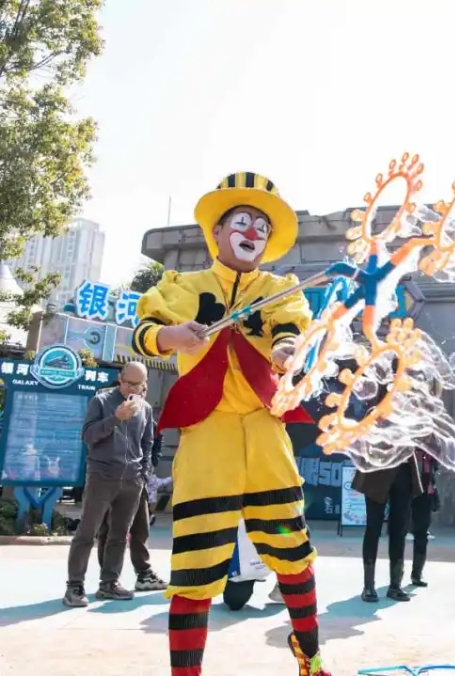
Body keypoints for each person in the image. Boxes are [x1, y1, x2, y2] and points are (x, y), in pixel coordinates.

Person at [131, 173, 330, 675]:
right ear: (217, 232)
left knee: (293, 551)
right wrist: (171, 337)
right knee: (195, 567)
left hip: (266, 429)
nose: (253, 232)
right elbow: (143, 332)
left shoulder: (279, 290)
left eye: (262, 225)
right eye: (242, 221)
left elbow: (290, 332)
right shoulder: (185, 287)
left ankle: (310, 659)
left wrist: (287, 352)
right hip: (207, 434)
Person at [64, 362, 154, 607]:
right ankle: (74, 586)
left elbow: (147, 443)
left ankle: (109, 583)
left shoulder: (145, 408)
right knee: (87, 533)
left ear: (144, 384)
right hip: (102, 477)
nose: (131, 388)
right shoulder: (101, 401)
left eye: (137, 384)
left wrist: (143, 473)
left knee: (119, 535)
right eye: (127, 383)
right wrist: (115, 418)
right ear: (120, 378)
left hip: (132, 480)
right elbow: (88, 436)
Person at [96, 383, 168, 592]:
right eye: (134, 388)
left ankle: (143, 573)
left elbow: (154, 446)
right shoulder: (107, 413)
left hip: (137, 480)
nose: (139, 393)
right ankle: (108, 577)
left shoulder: (148, 417)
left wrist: (146, 469)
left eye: (143, 390)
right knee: (109, 528)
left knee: (140, 527)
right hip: (109, 479)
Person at [353, 454, 423, 603]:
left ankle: (395, 586)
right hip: (377, 468)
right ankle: (368, 586)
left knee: (400, 529)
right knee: (373, 528)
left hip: (403, 468)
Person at [410, 434, 440, 587]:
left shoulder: (432, 450)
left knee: (422, 534)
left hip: (425, 494)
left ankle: (417, 573)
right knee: (399, 533)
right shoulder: (409, 445)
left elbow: (435, 467)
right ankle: (396, 579)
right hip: (408, 493)